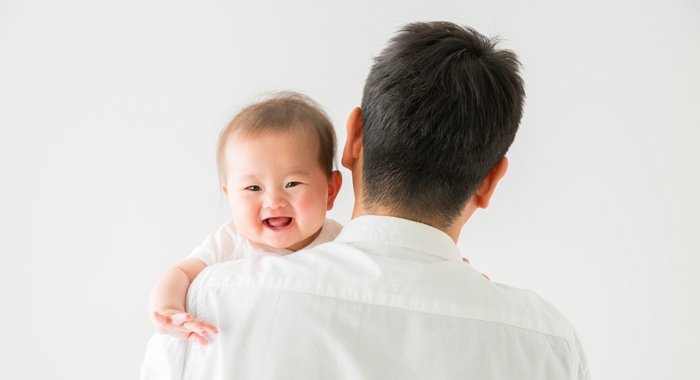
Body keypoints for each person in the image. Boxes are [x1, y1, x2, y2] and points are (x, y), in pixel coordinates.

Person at [142, 21, 589, 379]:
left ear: (352, 139)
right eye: (253, 187)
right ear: (490, 181)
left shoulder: (207, 306)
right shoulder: (550, 346)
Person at [147, 91, 343, 345]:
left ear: (330, 190)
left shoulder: (342, 244)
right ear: (229, 195)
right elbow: (181, 273)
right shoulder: (230, 242)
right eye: (253, 188)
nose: (273, 202)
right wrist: (168, 310)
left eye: (292, 183)